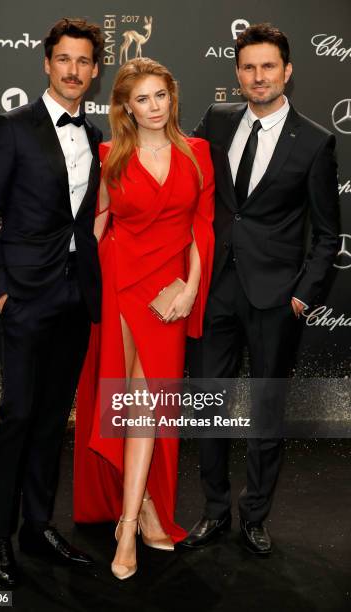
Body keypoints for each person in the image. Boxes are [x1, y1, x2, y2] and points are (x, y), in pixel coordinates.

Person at [180, 23, 340, 555]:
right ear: (237, 74)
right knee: (206, 406)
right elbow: (186, 186)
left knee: (266, 412)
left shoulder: (316, 141)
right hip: (215, 289)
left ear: (287, 72)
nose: (258, 76)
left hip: (277, 297)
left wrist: (303, 295)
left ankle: (254, 515)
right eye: (248, 67)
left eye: (268, 66)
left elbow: (327, 230)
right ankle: (213, 511)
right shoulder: (217, 121)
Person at [0, 18, 104, 587]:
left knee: (51, 418)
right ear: (47, 63)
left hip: (76, 296)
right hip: (22, 295)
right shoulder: (12, 128)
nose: (73, 71)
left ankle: (38, 526)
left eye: (84, 62)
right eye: (63, 60)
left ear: (96, 72)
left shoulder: (99, 138)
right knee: (17, 416)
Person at [73, 58, 215, 579]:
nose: (154, 107)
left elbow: (202, 228)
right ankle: (133, 520)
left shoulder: (197, 152)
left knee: (147, 404)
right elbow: (100, 222)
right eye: (143, 99)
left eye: (161, 96)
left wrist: (190, 288)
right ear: (126, 107)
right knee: (136, 404)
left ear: (172, 98)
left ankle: (133, 518)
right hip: (120, 283)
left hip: (169, 291)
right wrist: (73, 285)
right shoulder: (110, 154)